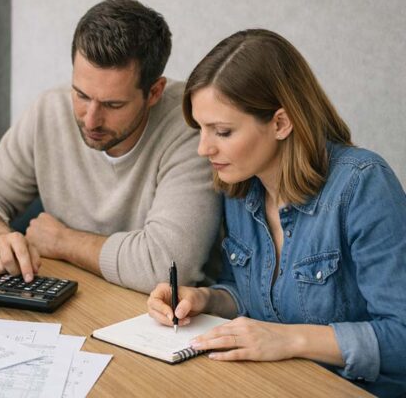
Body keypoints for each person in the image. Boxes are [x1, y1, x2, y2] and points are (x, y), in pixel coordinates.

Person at [146, 29, 406, 397]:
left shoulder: (363, 185)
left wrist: (291, 340)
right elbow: (256, 298)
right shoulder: (239, 187)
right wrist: (205, 299)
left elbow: (402, 336)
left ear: (281, 123)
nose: (204, 149)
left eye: (222, 131)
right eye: (200, 130)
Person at [0, 0, 221, 293]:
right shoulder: (50, 110)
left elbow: (167, 266)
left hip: (154, 320)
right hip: (80, 299)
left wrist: (64, 241)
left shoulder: (192, 128)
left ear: (154, 92)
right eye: (81, 94)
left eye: (112, 104)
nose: (90, 120)